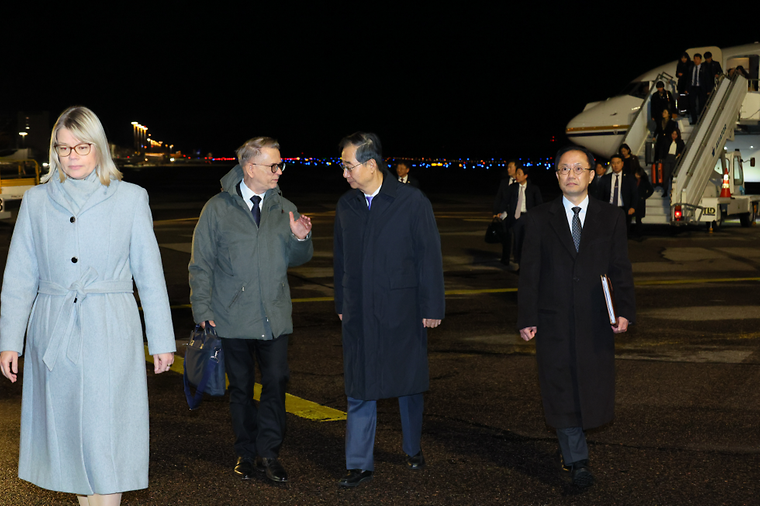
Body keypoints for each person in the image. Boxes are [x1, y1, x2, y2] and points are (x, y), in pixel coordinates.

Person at [0, 106, 176, 506]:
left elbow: (150, 276)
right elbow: (19, 278)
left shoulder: (131, 198)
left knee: (105, 437)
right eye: (63, 148)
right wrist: (9, 340)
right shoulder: (36, 201)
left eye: (82, 146)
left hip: (110, 326)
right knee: (70, 437)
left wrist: (161, 340)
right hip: (54, 328)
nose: (72, 156)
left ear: (99, 148)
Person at [188, 136, 313, 484]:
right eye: (273, 165)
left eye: (280, 164)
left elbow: (298, 259)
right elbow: (201, 264)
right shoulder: (217, 208)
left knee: (275, 382)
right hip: (231, 318)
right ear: (249, 168)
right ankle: (245, 453)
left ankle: (268, 454)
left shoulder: (284, 205)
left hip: (274, 317)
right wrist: (202, 309)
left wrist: (301, 238)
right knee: (241, 389)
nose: (279, 171)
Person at [517, 145, 636, 489]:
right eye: (564, 169)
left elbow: (620, 267)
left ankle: (575, 441)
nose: (571, 175)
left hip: (596, 320)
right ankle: (577, 460)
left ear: (591, 174)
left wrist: (624, 310)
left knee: (591, 386)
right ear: (557, 176)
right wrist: (527, 316)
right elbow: (529, 273)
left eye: (578, 169)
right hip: (553, 320)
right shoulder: (538, 219)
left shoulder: (610, 217)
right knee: (561, 388)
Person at [333, 132, 445, 488]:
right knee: (359, 383)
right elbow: (340, 260)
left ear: (371, 164)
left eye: (349, 166)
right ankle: (359, 463)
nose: (345, 174)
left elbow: (429, 256)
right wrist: (341, 301)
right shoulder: (346, 205)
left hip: (403, 308)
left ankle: (412, 447)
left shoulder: (411, 201)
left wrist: (432, 306)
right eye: (343, 166)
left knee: (408, 383)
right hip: (359, 310)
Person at [503, 164, 542, 267]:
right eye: (516, 173)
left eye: (519, 174)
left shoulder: (533, 189)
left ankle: (527, 264)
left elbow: (539, 204)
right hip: (516, 218)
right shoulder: (512, 188)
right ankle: (520, 264)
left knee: (528, 242)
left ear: (525, 176)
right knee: (518, 242)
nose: (517, 176)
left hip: (528, 218)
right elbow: (505, 201)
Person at [600, 154, 638, 230]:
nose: (616, 165)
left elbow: (634, 193)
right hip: (609, 208)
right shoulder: (605, 178)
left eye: (618, 163)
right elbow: (601, 194)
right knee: (609, 229)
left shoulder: (629, 178)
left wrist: (633, 207)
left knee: (623, 230)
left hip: (624, 209)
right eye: (613, 163)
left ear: (622, 164)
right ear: (611, 164)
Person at [493, 160, 518, 264]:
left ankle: (517, 257)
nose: (508, 169)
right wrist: (496, 212)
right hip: (504, 214)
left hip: (515, 214)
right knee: (505, 236)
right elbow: (499, 197)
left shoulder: (519, 182)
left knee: (517, 237)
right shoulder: (504, 182)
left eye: (510, 167)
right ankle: (505, 258)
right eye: (508, 167)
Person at [686, 53, 712, 124]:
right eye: (695, 59)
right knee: (692, 104)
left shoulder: (704, 68)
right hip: (693, 87)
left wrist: (708, 90)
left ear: (700, 60)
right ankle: (694, 120)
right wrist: (687, 88)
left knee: (701, 104)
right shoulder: (691, 67)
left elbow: (707, 79)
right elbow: (688, 79)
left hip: (701, 88)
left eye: (697, 59)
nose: (696, 60)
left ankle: (701, 120)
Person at [633, 167, 654, 236]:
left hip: (640, 201)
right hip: (634, 200)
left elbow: (651, 190)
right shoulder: (633, 180)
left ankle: (639, 233)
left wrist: (644, 196)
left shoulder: (644, 181)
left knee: (638, 219)